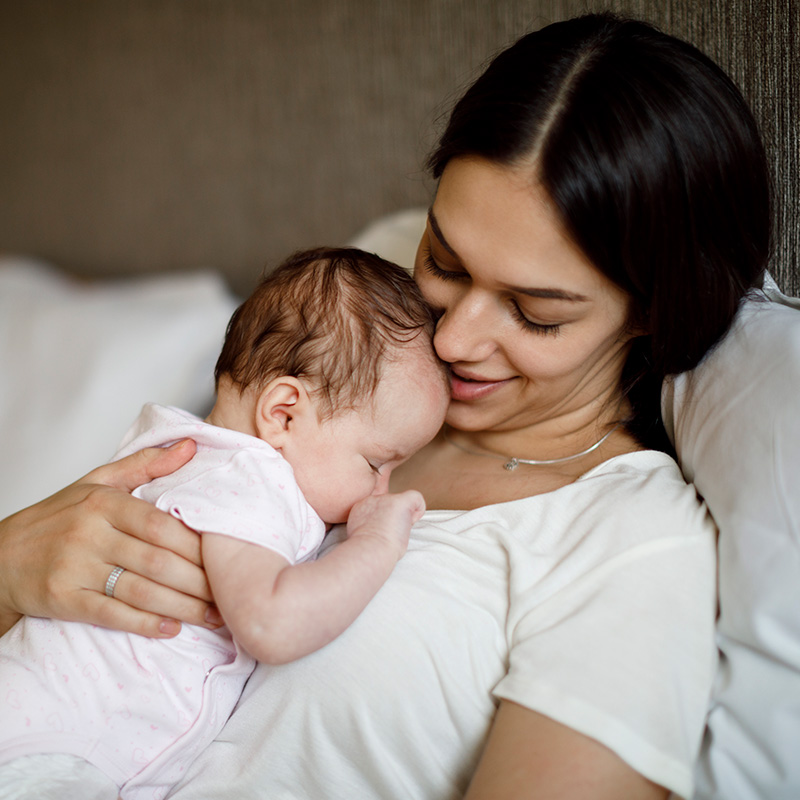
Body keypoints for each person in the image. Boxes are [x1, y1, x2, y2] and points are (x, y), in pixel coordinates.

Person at [0, 13, 772, 800]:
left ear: (649, 311)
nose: (455, 338)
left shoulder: (627, 546)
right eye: (445, 262)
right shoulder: (341, 363)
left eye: (535, 313)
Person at [0, 246, 450, 799]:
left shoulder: (181, 449)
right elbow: (273, 623)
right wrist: (379, 540)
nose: (382, 489)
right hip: (55, 748)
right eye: (377, 464)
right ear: (283, 413)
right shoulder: (251, 480)